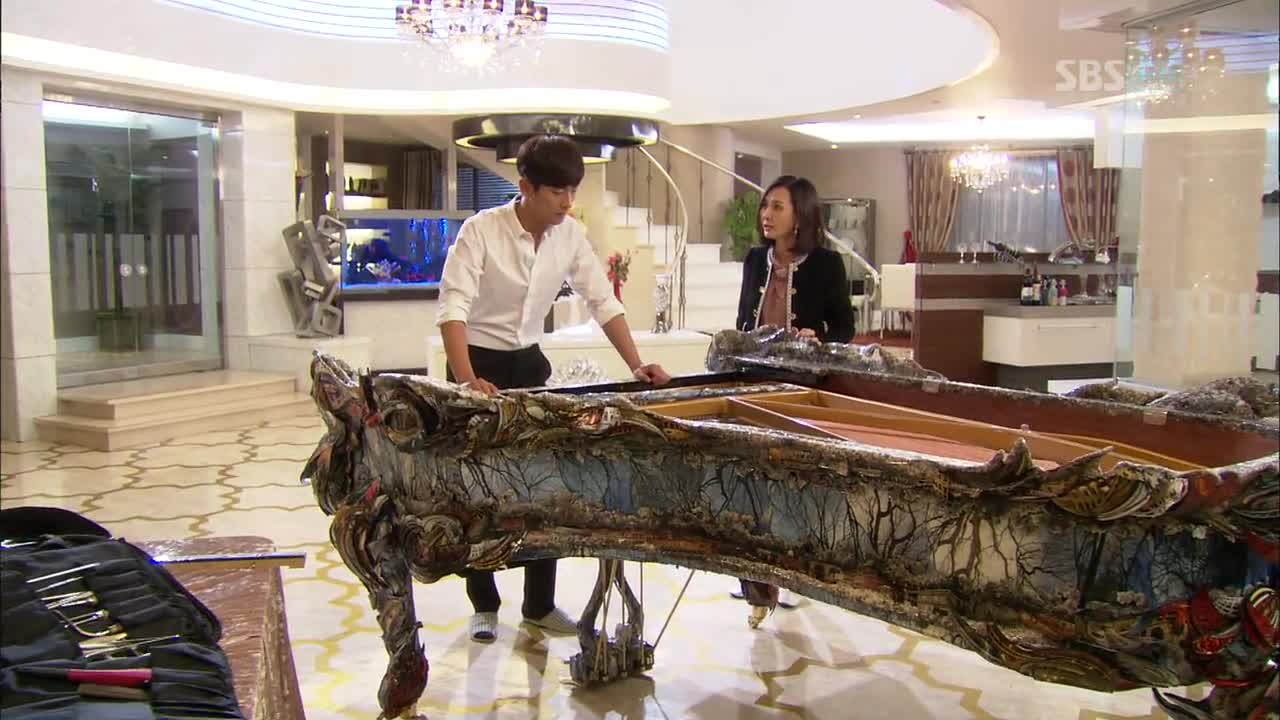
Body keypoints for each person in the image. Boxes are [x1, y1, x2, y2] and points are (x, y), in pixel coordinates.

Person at [436, 134, 672, 643]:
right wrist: (466, 381)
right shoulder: (481, 231)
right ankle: (483, 604)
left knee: (544, 486)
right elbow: (453, 308)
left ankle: (539, 604)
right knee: (479, 490)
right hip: (477, 366)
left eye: (572, 191)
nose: (568, 202)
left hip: (528, 364)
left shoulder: (569, 236)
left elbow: (602, 301)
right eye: (557, 191)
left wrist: (636, 364)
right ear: (526, 187)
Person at [732, 175, 856, 627]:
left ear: (800, 214)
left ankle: (792, 573)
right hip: (752, 383)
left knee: (791, 483)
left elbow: (844, 328)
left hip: (801, 387)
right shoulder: (754, 259)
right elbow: (743, 319)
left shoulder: (827, 264)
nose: (766, 214)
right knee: (749, 484)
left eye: (777, 207)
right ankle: (756, 586)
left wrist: (816, 335)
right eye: (765, 206)